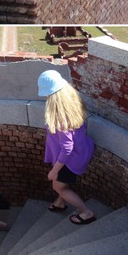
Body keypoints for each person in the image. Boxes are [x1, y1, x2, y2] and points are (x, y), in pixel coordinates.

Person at [37, 69, 96, 225]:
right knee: (62, 184)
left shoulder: (59, 118)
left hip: (68, 160)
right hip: (80, 152)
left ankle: (86, 212)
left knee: (60, 187)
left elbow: (67, 148)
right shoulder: (73, 103)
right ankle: (60, 203)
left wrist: (54, 171)